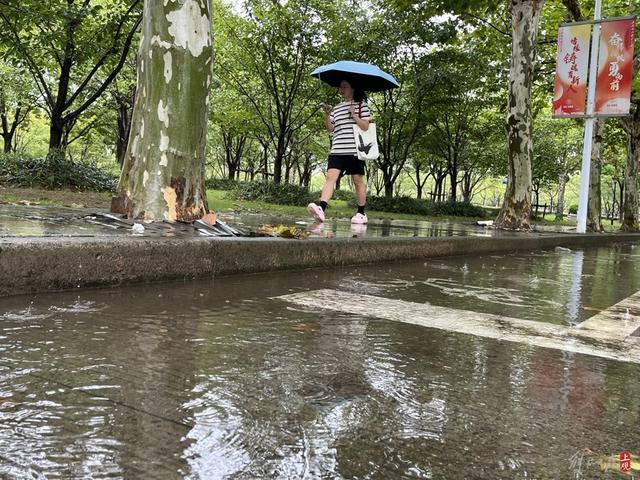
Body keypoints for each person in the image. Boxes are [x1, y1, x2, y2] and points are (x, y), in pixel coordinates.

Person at [307, 79, 371, 224]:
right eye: (340, 87)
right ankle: (321, 208)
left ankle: (361, 213)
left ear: (353, 88)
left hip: (355, 150)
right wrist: (327, 115)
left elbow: (365, 126)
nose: (341, 90)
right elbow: (330, 129)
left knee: (357, 180)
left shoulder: (362, 106)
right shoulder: (337, 107)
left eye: (345, 87)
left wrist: (355, 115)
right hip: (337, 149)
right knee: (330, 178)